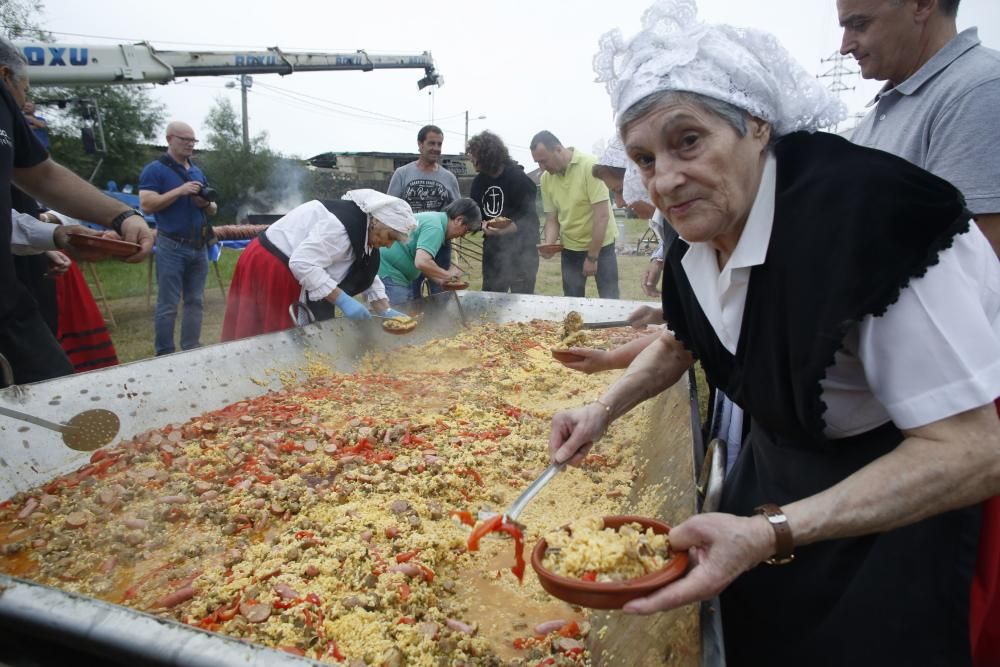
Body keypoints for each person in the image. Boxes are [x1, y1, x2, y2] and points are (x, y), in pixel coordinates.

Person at [549, 2, 1000, 665]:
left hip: (896, 510)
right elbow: (684, 338)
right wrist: (602, 409)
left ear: (757, 124)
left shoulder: (871, 222)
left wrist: (773, 531)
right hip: (775, 480)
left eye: (688, 141)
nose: (664, 178)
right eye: (644, 158)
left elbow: (974, 449)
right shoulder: (695, 239)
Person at [1, 37, 150, 386]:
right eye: (23, 90)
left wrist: (121, 216)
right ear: (5, 75)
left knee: (52, 386)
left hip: (7, 297)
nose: (25, 102)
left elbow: (41, 173)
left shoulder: (5, 111)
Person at [838, 0, 1000, 257]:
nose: (845, 47)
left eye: (859, 24)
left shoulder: (980, 90)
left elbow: (976, 261)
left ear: (923, 5)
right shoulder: (873, 121)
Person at [221, 190, 415, 341]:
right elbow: (302, 263)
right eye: (390, 237)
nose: (389, 245)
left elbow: (364, 269)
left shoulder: (366, 229)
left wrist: (384, 309)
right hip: (272, 264)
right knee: (276, 335)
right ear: (376, 221)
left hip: (286, 264)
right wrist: (343, 300)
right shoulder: (341, 228)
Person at [139, 121, 217, 356]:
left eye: (193, 141)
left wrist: (207, 204)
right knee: (168, 304)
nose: (190, 145)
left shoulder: (196, 171)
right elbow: (147, 205)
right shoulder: (155, 170)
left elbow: (212, 209)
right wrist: (179, 191)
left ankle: (191, 347)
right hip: (172, 245)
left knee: (195, 300)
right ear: (170, 139)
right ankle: (164, 353)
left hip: (198, 246)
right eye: (185, 140)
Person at [530, 130, 619, 299]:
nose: (541, 167)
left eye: (543, 161)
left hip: (602, 247)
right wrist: (549, 244)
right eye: (537, 162)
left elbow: (602, 216)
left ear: (558, 149)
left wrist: (592, 257)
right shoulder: (546, 179)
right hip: (570, 247)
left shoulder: (590, 166)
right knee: (572, 302)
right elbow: (552, 219)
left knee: (610, 300)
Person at [387, 124, 461, 298]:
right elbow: (389, 209)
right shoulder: (402, 174)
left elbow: (458, 211)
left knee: (442, 293)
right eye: (431, 143)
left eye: (439, 144)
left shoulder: (448, 178)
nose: (436, 148)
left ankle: (442, 324)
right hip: (409, 246)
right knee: (411, 297)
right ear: (420, 144)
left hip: (439, 246)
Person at [592, 138, 671, 297]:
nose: (620, 203)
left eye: (621, 190)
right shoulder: (668, 221)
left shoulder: (689, 227)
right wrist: (658, 259)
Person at [466, 130, 540, 294]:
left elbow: (531, 221)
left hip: (522, 253)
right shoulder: (479, 182)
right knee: (492, 303)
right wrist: (481, 225)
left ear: (486, 154)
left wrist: (508, 228)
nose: (470, 158)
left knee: (521, 303)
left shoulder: (518, 179)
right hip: (493, 254)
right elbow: (475, 215)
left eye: (474, 153)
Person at [378, 198, 481, 306]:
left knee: (404, 317)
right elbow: (421, 262)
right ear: (459, 220)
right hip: (388, 275)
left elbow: (423, 264)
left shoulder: (436, 221)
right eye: (466, 230)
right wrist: (447, 274)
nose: (463, 235)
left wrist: (440, 279)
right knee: (395, 320)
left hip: (390, 274)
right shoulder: (436, 228)